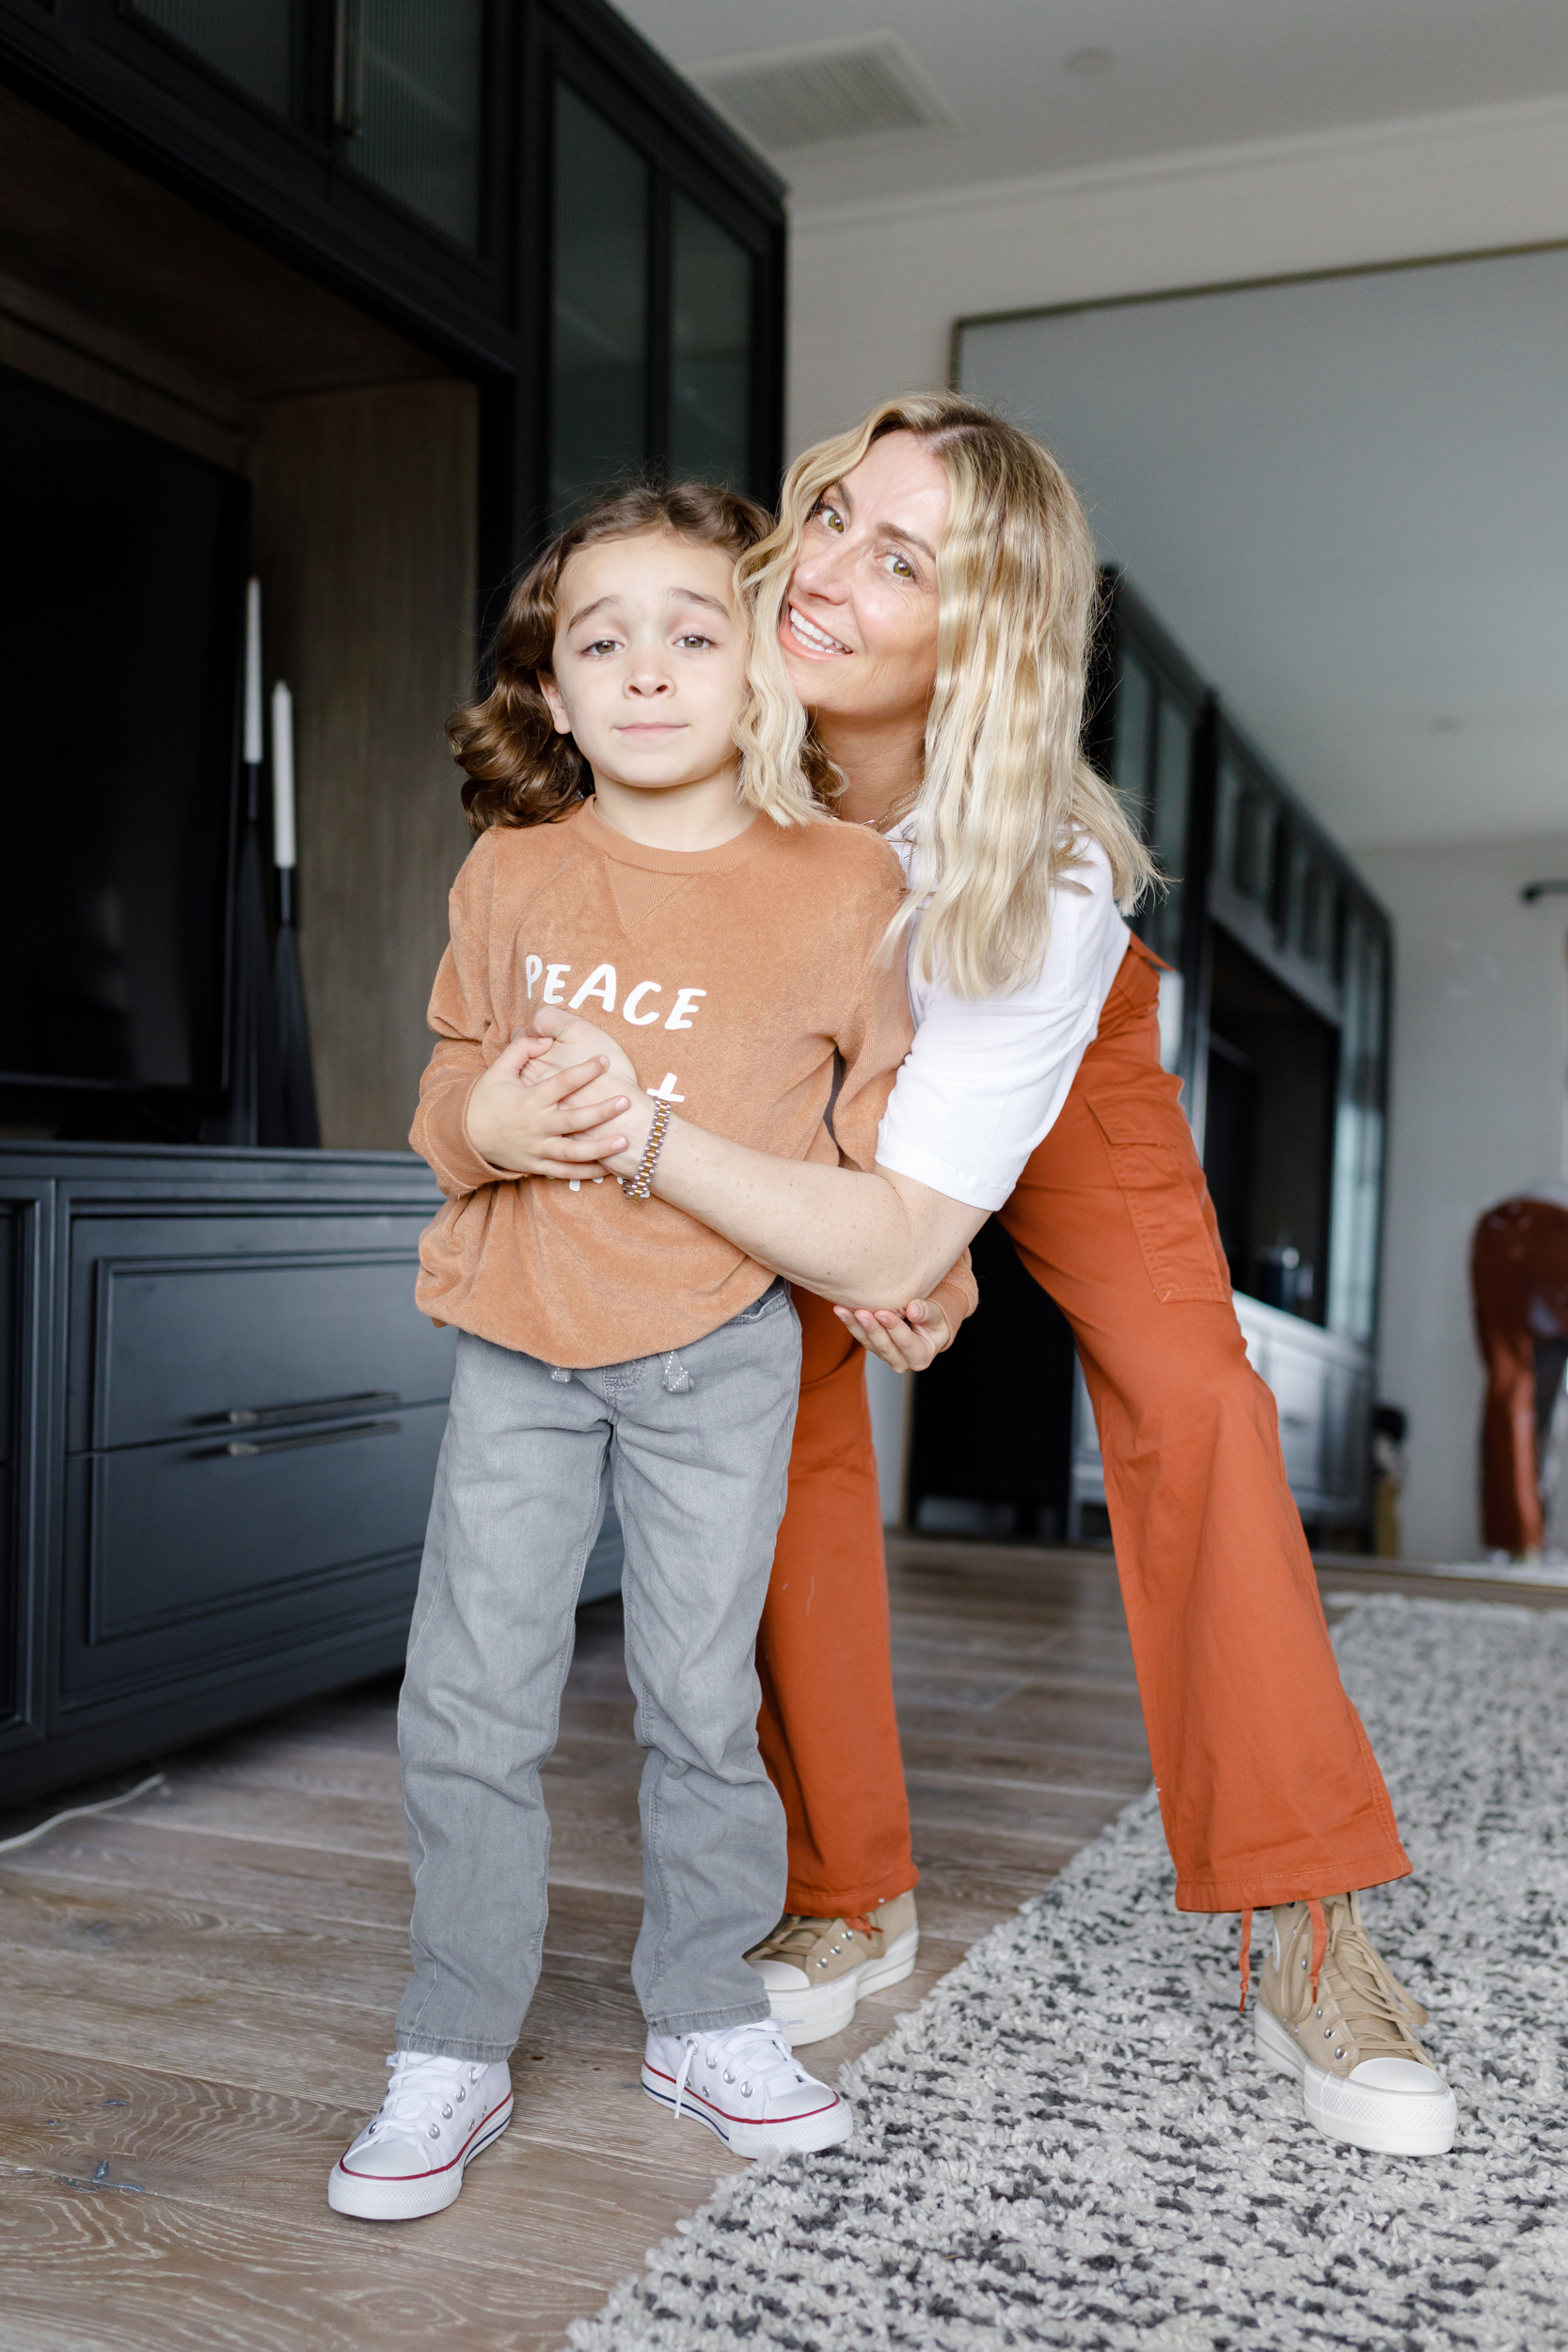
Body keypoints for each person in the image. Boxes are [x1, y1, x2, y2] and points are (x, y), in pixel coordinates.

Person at [520, 395, 1461, 2160]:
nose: (824, 577)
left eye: (905, 562)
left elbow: (924, 1205)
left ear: (983, 641)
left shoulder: (1044, 874)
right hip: (813, 1092)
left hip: (1047, 1037)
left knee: (1197, 1399)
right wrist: (885, 1246)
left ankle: (1311, 1923)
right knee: (758, 1368)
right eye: (833, 520)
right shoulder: (715, 719)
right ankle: (844, 1888)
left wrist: (924, 1248)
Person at [328, 481, 933, 2220]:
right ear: (553, 688)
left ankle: (704, 2009)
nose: (649, 670)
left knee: (695, 1695)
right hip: (522, 1338)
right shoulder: (512, 869)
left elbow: (889, 1131)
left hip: (721, 1347)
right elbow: (446, 1087)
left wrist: (923, 1281)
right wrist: (499, 1114)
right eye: (604, 641)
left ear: (762, 673)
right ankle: (453, 2037)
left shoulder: (845, 885)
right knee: (471, 1694)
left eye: (694, 632)